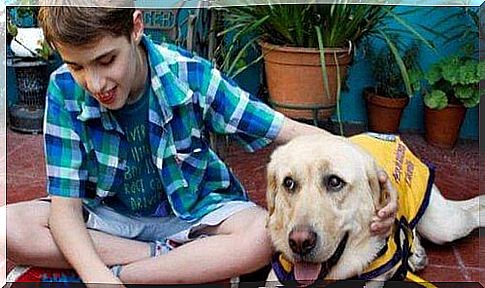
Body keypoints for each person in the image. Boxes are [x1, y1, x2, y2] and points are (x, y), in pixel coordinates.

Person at [5, 3, 398, 285]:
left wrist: (375, 171)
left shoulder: (188, 74)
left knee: (261, 237)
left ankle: (131, 272)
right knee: (8, 227)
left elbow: (285, 130)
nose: (95, 83)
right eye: (77, 66)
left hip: (197, 218)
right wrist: (95, 277)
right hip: (112, 219)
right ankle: (166, 262)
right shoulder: (62, 91)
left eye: (106, 60)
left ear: (136, 28)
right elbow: (65, 209)